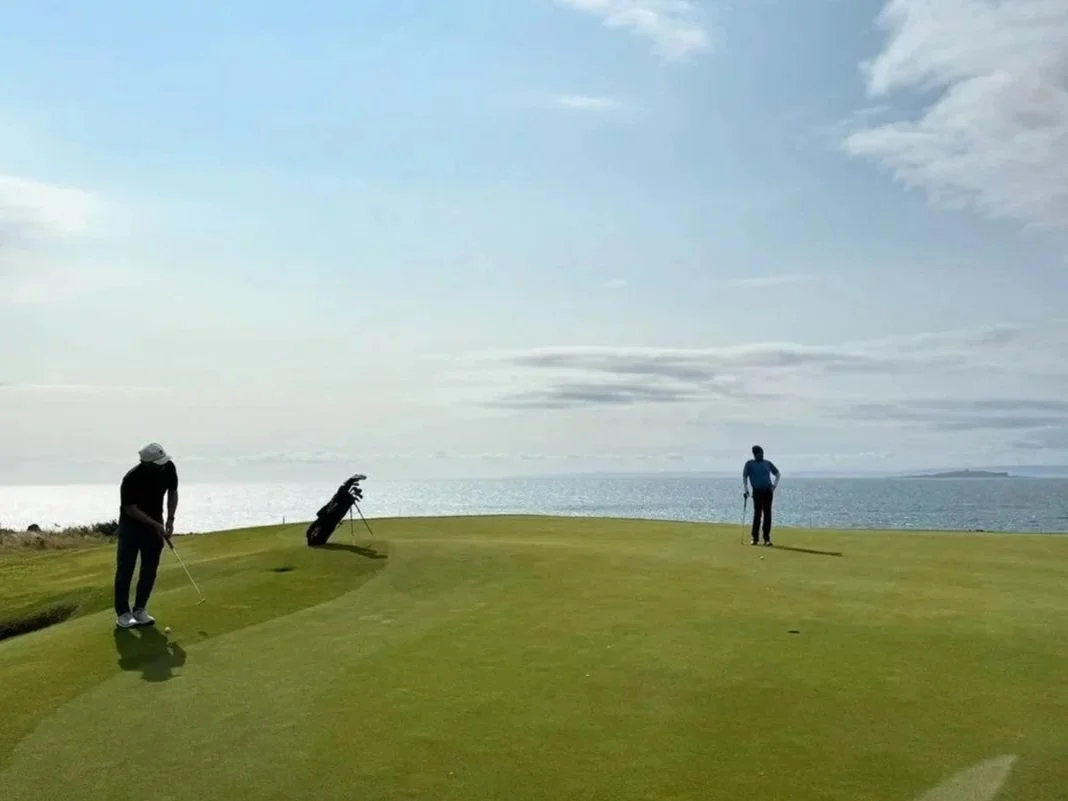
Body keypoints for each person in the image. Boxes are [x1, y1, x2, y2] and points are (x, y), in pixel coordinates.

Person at [114, 442, 179, 629]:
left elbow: (173, 492)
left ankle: (140, 609)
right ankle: (123, 614)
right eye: (158, 462)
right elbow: (131, 509)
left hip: (155, 521)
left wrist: (170, 519)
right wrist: (155, 524)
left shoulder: (168, 467)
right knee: (125, 569)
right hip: (131, 526)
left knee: (150, 567)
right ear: (146, 463)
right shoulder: (131, 479)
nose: (163, 464)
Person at [742, 445, 780, 546]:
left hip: (768, 491)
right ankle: (755, 538)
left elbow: (777, 473)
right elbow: (745, 477)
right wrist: (746, 490)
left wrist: (774, 486)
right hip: (757, 491)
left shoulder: (767, 463)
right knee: (757, 515)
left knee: (767, 515)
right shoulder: (750, 464)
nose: (762, 455)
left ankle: (767, 539)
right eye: (759, 453)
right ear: (755, 454)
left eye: (762, 453)